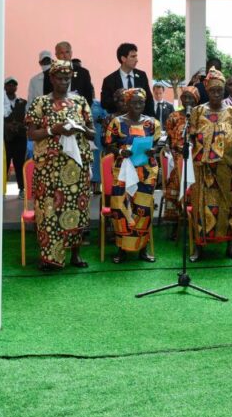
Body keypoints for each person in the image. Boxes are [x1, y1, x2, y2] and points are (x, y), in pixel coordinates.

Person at [26, 59, 95, 270]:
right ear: (51, 78)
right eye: (60, 78)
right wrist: (53, 130)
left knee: (75, 209)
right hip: (49, 168)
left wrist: (80, 128)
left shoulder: (80, 101)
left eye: (67, 78)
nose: (64, 82)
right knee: (49, 210)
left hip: (75, 167)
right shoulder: (41, 103)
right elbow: (31, 133)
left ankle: (75, 255)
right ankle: (50, 258)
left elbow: (93, 133)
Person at [188, 68, 232, 262]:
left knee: (227, 208)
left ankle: (231, 245)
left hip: (226, 169)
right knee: (201, 207)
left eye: (219, 91)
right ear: (207, 91)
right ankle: (198, 247)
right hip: (203, 170)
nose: (216, 94)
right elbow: (190, 136)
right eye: (212, 91)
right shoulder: (197, 111)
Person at [104, 88, 162, 263]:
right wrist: (121, 151)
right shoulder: (116, 122)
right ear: (127, 103)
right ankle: (122, 249)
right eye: (134, 102)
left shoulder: (152, 123)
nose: (138, 105)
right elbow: (109, 145)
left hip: (146, 172)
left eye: (141, 102)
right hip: (123, 171)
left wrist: (154, 150)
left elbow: (159, 143)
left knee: (143, 211)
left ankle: (142, 249)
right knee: (121, 209)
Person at [162, 87, 195, 227]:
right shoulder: (173, 116)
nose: (187, 100)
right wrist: (170, 148)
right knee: (175, 181)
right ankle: (176, 222)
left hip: (194, 158)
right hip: (176, 156)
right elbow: (168, 138)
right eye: (184, 97)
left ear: (196, 100)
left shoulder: (200, 116)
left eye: (190, 98)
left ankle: (193, 221)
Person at [101, 42, 154, 116]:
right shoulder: (109, 80)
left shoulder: (142, 75)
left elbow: (149, 100)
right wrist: (121, 100)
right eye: (133, 56)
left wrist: (151, 119)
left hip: (140, 123)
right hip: (119, 122)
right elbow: (104, 103)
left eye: (136, 56)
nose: (136, 60)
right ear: (123, 59)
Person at [3, 77, 29, 197]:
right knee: (4, 164)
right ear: (5, 87)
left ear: (16, 87)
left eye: (14, 85)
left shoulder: (22, 102)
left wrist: (18, 126)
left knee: (19, 164)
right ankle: (1, 189)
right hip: (6, 139)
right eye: (9, 85)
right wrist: (7, 126)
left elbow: (28, 119)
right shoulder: (0, 102)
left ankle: (22, 189)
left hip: (19, 138)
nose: (11, 87)